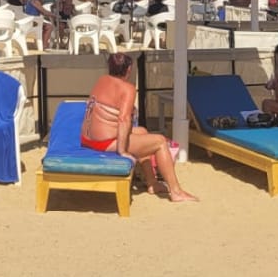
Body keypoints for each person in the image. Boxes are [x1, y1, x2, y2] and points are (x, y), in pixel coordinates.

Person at [80, 52, 197, 202]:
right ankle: (176, 192)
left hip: (87, 138)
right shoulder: (127, 88)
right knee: (160, 142)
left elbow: (109, 110)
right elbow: (123, 119)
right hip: (104, 142)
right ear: (129, 69)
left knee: (142, 132)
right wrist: (122, 151)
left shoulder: (102, 80)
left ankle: (152, 183)